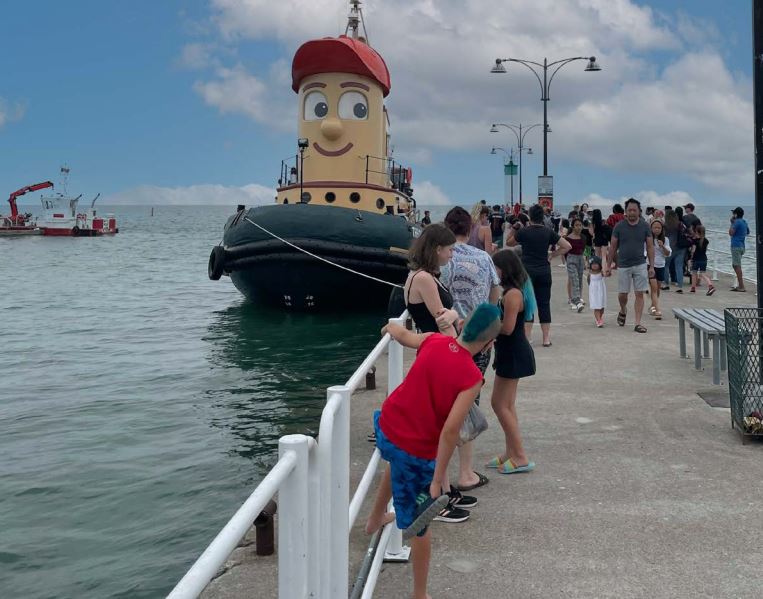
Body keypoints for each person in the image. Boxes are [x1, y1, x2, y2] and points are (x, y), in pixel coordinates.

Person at [365, 304, 502, 599]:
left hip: (387, 425)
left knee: (395, 462)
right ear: (489, 344)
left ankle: (375, 518)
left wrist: (392, 328)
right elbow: (451, 431)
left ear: (463, 326)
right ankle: (419, 594)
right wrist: (439, 477)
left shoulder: (434, 340)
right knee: (420, 523)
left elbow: (403, 335)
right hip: (415, 448)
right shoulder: (471, 377)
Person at [441, 207, 501, 493]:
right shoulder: (484, 258)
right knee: (470, 403)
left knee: (440, 402)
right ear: (471, 228)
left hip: (447, 340)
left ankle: (438, 472)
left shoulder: (442, 258)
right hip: (477, 341)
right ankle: (466, 473)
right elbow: (494, 297)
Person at [488, 250, 536, 474]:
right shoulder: (508, 292)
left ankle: (520, 456)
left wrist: (483, 329)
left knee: (499, 404)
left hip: (513, 350)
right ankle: (511, 451)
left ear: (504, 269)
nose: (493, 271)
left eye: (495, 267)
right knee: (506, 404)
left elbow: (507, 328)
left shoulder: (513, 294)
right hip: (508, 351)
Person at [506, 204, 571, 346]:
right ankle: (546, 338)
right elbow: (567, 246)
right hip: (544, 271)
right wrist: (552, 254)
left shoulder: (524, 232)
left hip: (527, 271)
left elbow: (509, 243)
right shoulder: (548, 232)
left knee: (528, 303)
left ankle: (528, 337)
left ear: (529, 216)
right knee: (544, 303)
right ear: (542, 217)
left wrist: (514, 229)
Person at [607, 197, 655, 333]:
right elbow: (613, 247)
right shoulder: (619, 226)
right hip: (623, 265)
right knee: (623, 294)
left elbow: (650, 247)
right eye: (629, 210)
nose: (632, 213)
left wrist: (651, 266)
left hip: (640, 264)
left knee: (639, 293)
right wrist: (608, 265)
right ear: (625, 212)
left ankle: (637, 323)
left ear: (639, 211)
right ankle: (623, 310)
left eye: (634, 210)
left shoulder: (645, 226)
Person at [404, 224, 459, 337]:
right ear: (438, 249)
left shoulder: (423, 275)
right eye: (450, 250)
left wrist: (454, 314)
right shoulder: (424, 278)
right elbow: (443, 323)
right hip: (439, 346)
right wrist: (457, 349)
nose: (451, 255)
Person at [648, 219, 671, 320]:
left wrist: (662, 246)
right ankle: (657, 309)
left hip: (661, 265)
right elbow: (645, 251)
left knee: (657, 289)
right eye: (654, 227)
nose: (656, 230)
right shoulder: (648, 239)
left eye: (659, 228)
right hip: (650, 265)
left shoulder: (665, 240)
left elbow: (668, 254)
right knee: (653, 288)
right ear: (651, 228)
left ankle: (652, 306)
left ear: (662, 229)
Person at [664, 208, 690, 293]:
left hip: (670, 247)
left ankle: (666, 284)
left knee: (666, 265)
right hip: (681, 247)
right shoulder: (680, 224)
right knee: (679, 266)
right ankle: (680, 286)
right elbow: (688, 233)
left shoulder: (666, 225)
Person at [564, 218, 586, 312]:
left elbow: (585, 249)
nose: (579, 227)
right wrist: (567, 261)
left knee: (580, 278)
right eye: (576, 225)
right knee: (574, 279)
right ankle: (575, 301)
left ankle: (578, 298)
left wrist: (585, 260)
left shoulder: (583, 237)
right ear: (573, 226)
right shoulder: (568, 238)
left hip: (580, 258)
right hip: (571, 258)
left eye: (580, 225)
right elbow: (565, 250)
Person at [690, 225, 715, 295]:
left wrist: (691, 257)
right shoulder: (706, 241)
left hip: (696, 259)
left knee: (694, 273)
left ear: (696, 232)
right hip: (704, 259)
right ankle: (710, 285)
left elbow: (693, 250)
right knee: (703, 274)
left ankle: (693, 288)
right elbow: (705, 250)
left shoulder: (694, 241)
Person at [729, 207, 750, 292]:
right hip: (742, 245)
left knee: (737, 266)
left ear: (736, 214)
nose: (733, 215)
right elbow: (748, 232)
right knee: (735, 265)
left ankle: (741, 286)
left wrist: (732, 223)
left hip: (736, 246)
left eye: (733, 213)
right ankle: (740, 285)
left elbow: (731, 233)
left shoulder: (736, 222)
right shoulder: (744, 222)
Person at [587, 255, 607, 327]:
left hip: (601, 291)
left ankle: (599, 318)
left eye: (596, 264)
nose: (594, 265)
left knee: (602, 307)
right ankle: (598, 320)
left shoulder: (601, 273)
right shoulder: (590, 274)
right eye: (593, 264)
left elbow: (606, 274)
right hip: (594, 292)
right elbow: (589, 282)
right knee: (596, 306)